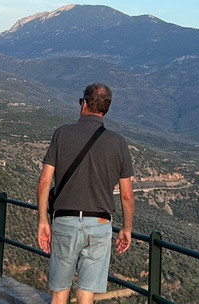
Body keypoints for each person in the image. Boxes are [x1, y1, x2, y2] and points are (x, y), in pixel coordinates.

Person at [37, 83, 135, 304]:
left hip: (65, 221)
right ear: (106, 109)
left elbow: (44, 181)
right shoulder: (118, 142)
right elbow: (127, 195)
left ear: (84, 104)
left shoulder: (62, 134)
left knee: (59, 293)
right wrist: (127, 229)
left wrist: (43, 220)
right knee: (86, 294)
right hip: (99, 224)